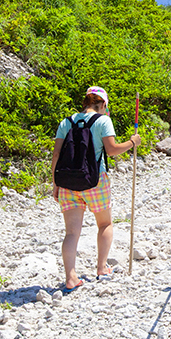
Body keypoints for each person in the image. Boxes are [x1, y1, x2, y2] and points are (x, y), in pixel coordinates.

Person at [51, 86, 141, 291]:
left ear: (86, 102)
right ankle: (101, 268)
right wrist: (132, 142)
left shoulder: (66, 122)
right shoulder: (103, 121)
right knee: (104, 224)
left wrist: (55, 184)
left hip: (67, 182)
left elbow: (56, 155)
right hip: (95, 180)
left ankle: (71, 278)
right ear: (103, 105)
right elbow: (111, 151)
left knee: (71, 233)